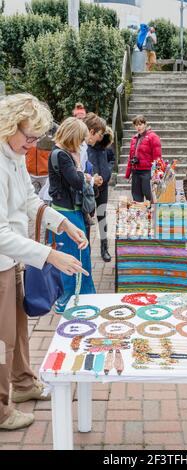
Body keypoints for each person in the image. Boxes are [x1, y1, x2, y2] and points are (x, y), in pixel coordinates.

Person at [0, 93, 89, 431]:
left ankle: (23, 384)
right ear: (10, 124)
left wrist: (62, 223)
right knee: (1, 339)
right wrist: (50, 255)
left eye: (38, 137)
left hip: (13, 258)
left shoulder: (13, 155)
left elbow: (28, 200)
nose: (33, 143)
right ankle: (1, 409)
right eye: (29, 135)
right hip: (4, 257)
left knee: (18, 328)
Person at [48, 117, 96, 313]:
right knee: (76, 255)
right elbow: (77, 181)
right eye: (81, 139)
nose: (83, 143)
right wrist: (78, 165)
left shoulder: (58, 153)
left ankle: (75, 297)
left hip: (65, 212)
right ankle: (72, 298)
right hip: (67, 214)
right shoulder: (63, 155)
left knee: (75, 254)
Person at [84, 113, 115, 262]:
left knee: (102, 218)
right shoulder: (86, 146)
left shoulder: (106, 145)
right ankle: (87, 249)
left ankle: (104, 248)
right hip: (90, 188)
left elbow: (112, 160)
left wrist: (107, 172)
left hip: (103, 187)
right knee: (88, 218)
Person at [125, 115, 162, 202]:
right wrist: (128, 173)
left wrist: (156, 174)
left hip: (147, 171)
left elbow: (157, 157)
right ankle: (139, 214)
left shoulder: (153, 137)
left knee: (149, 195)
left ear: (145, 124)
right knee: (136, 197)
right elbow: (131, 157)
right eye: (136, 125)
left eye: (140, 124)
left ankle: (152, 213)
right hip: (136, 171)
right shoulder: (134, 138)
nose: (138, 127)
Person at [25, 123, 58, 194]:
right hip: (29, 173)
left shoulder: (52, 129)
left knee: (45, 199)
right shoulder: (28, 128)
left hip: (46, 175)